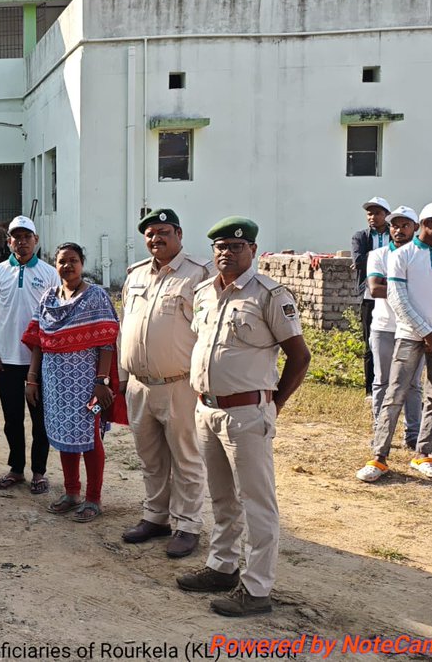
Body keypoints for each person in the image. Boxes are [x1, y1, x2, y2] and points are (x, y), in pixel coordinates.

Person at [177, 216, 310, 618]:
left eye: (235, 246)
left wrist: (275, 403)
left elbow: (299, 357)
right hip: (207, 409)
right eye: (219, 246)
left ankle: (256, 589)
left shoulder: (270, 295)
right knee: (220, 496)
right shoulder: (203, 293)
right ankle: (222, 567)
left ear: (252, 249)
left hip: (248, 413)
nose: (226, 253)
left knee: (257, 502)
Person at [117, 209, 211, 558]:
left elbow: (207, 330)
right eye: (150, 233)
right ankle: (155, 517)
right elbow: (125, 327)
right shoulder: (136, 274)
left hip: (180, 385)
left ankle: (187, 525)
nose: (156, 238)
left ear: (179, 234)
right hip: (140, 385)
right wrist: (124, 379)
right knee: (150, 457)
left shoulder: (199, 274)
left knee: (185, 457)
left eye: (163, 232)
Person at [358, 201, 432, 482]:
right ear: (426, 223)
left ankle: (423, 453)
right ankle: (379, 457)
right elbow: (397, 297)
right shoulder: (402, 255)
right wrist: (425, 331)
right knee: (394, 394)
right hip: (409, 335)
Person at [23, 242, 123, 523]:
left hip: (88, 384)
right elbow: (37, 341)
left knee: (90, 439)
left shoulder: (96, 297)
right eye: (62, 261)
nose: (67, 265)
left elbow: (106, 342)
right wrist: (32, 378)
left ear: (82, 263)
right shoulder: (47, 298)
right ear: (55, 265)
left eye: (73, 260)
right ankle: (71, 493)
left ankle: (93, 498)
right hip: (55, 383)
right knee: (65, 438)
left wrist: (102, 381)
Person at [0, 215, 59, 494]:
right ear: (9, 242)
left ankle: (39, 472)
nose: (22, 242)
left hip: (38, 360)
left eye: (27, 236)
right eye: (16, 237)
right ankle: (17, 469)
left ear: (36, 240)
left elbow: (54, 318)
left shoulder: (49, 273)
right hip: (6, 360)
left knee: (40, 420)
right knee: (12, 419)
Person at [365, 207, 423, 454]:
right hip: (384, 326)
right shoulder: (378, 255)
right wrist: (410, 288)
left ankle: (413, 435)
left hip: (413, 328)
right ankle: (381, 431)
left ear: (415, 228)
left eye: (405, 225)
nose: (399, 230)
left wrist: (396, 286)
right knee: (382, 381)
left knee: (412, 384)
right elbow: (375, 288)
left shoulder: (420, 255)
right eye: (394, 226)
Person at [352, 197, 391, 397]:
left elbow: (406, 255)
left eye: (377, 213)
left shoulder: (396, 233)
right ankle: (370, 389)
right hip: (369, 295)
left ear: (386, 215)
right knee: (370, 342)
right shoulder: (361, 236)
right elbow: (358, 260)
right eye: (369, 213)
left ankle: (392, 385)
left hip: (392, 294)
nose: (372, 217)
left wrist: (372, 257)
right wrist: (382, 256)